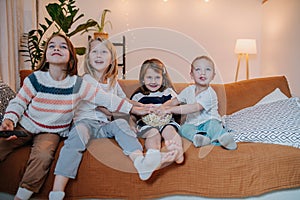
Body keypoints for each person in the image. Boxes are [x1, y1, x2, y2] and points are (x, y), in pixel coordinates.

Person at [0, 33, 149, 200]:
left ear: (71, 56)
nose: (57, 48)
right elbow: (18, 102)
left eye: (63, 46)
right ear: (46, 55)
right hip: (26, 124)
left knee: (43, 156)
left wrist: (134, 109)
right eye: (52, 46)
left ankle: (21, 196)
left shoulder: (78, 84)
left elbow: (108, 99)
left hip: (52, 132)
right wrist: (9, 119)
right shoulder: (35, 79)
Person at [49, 37, 166, 200]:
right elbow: (105, 106)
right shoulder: (85, 80)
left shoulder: (112, 82)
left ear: (111, 59)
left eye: (104, 52)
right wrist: (135, 110)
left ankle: (139, 161)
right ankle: (57, 189)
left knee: (120, 124)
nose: (99, 55)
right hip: (86, 122)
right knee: (78, 137)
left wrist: (143, 107)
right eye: (94, 51)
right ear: (88, 57)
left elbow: (123, 100)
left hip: (104, 126)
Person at [155, 55, 237, 150]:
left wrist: (170, 110)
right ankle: (200, 138)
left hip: (209, 121)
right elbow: (175, 101)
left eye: (207, 69)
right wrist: (162, 107)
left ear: (213, 75)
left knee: (213, 126)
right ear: (191, 75)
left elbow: (194, 107)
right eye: (198, 69)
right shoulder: (189, 90)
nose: (203, 73)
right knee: (183, 129)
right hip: (193, 124)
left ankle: (224, 138)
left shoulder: (210, 93)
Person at [130, 58, 184, 166]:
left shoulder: (168, 92)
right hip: (147, 124)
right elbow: (132, 114)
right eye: (149, 77)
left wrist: (167, 108)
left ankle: (178, 151)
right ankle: (153, 157)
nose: (153, 81)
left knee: (170, 130)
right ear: (143, 78)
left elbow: (178, 105)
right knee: (153, 134)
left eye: (157, 77)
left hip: (166, 121)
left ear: (163, 78)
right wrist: (131, 125)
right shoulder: (139, 95)